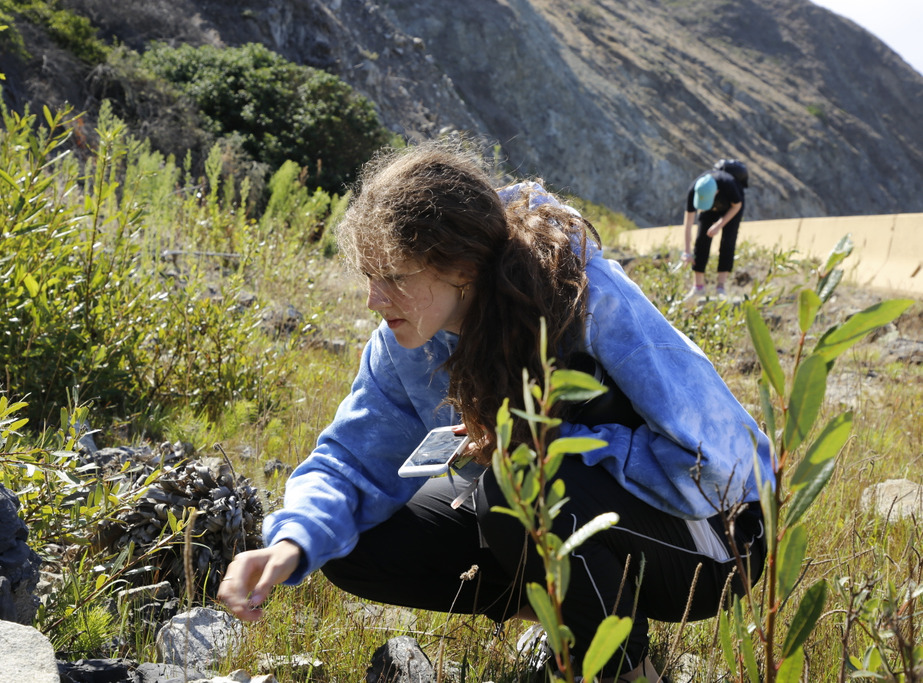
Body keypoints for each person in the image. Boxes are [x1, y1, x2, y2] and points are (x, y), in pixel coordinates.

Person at [218, 143, 770, 682]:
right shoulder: (404, 343)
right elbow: (350, 461)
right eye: (369, 275)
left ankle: (629, 671)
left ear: (460, 268)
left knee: (516, 483)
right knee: (351, 542)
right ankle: (573, 617)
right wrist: (292, 543)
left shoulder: (586, 297)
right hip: (580, 518)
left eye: (394, 277)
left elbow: (726, 459)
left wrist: (558, 442)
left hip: (714, 544)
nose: (373, 299)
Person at [681, 161, 747, 303]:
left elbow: (737, 206)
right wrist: (686, 251)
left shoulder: (728, 185)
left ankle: (721, 287)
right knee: (701, 241)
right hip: (710, 207)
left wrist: (719, 224)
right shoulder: (694, 190)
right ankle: (698, 287)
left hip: (732, 207)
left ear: (716, 192)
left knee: (728, 242)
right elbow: (688, 223)